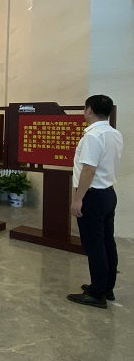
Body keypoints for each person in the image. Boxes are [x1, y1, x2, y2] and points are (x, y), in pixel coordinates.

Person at [67, 95, 123, 309]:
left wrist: (78, 199)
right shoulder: (114, 133)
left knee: (94, 245)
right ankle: (106, 287)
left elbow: (89, 170)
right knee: (107, 242)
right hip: (108, 194)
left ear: (89, 110)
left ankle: (97, 294)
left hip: (93, 196)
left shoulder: (92, 136)